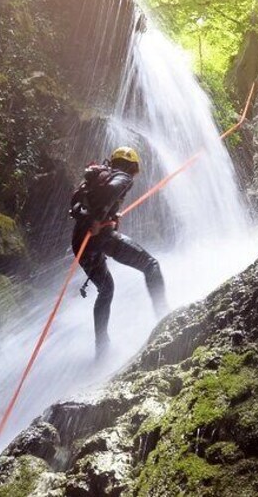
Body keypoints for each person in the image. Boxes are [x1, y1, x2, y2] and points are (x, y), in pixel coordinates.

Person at [70, 146, 169, 357]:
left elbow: (77, 205)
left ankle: (102, 347)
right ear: (132, 166)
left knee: (106, 290)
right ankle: (166, 320)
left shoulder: (93, 180)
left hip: (80, 243)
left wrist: (108, 216)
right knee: (151, 266)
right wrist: (98, 219)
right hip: (99, 239)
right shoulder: (122, 177)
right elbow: (109, 193)